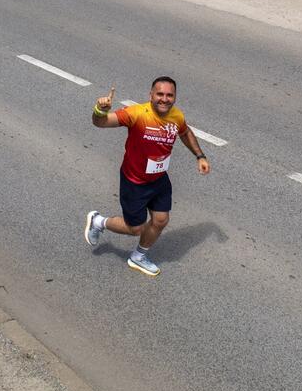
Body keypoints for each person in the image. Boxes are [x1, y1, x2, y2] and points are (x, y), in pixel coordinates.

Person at [83, 77, 210, 276]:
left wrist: (200, 156)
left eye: (170, 95)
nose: (165, 99)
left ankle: (138, 257)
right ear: (150, 95)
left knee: (160, 220)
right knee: (136, 228)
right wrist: (101, 110)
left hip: (159, 178)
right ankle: (99, 221)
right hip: (135, 182)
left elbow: (185, 132)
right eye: (160, 94)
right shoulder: (137, 113)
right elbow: (101, 123)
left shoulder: (176, 116)